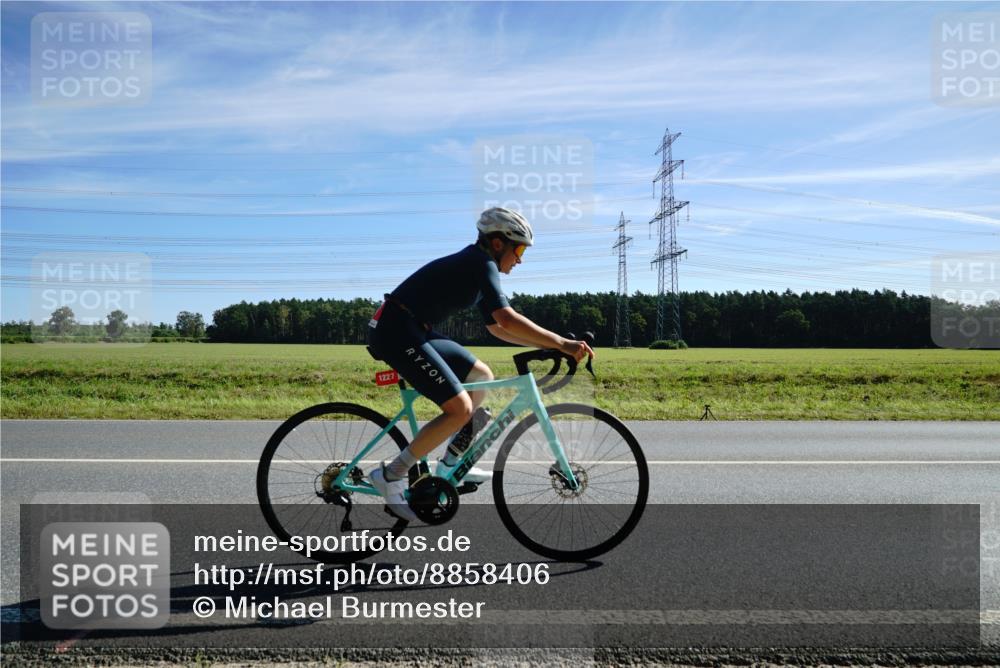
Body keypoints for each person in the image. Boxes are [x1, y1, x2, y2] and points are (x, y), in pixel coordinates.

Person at [366, 207, 594, 521]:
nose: (521, 258)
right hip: (396, 331)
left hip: (412, 327)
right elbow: (508, 319)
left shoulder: (478, 265)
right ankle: (390, 476)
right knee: (459, 408)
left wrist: (549, 345)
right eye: (520, 249)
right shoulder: (480, 262)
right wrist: (562, 343)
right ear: (498, 243)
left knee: (480, 375)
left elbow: (499, 329)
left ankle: (449, 467)